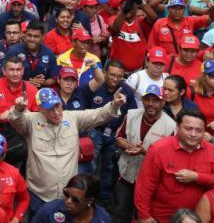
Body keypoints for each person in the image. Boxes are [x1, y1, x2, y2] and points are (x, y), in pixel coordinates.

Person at [8, 86, 127, 215]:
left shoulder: (72, 118)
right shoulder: (31, 121)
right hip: (39, 196)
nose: (56, 112)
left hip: (68, 196)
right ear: (40, 109)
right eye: (50, 109)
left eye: (57, 106)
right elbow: (15, 120)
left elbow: (97, 115)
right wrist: (18, 109)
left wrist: (114, 104)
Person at [135, 109, 214, 223]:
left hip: (198, 218)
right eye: (188, 129)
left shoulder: (213, 152)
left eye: (199, 130)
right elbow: (144, 186)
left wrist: (197, 177)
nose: (193, 134)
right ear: (177, 128)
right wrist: (144, 215)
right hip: (162, 218)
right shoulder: (158, 149)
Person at [114, 84, 176, 223]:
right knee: (121, 214)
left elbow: (168, 159)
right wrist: (129, 146)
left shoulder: (171, 126)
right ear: (142, 100)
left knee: (142, 217)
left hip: (150, 183)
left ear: (163, 102)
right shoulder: (131, 114)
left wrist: (144, 152)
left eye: (156, 100)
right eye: (147, 99)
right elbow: (118, 138)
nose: (151, 104)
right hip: (126, 176)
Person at [30, 174, 110, 223]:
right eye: (66, 194)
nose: (68, 201)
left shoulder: (102, 218)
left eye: (75, 200)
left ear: (90, 201)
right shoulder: (48, 211)